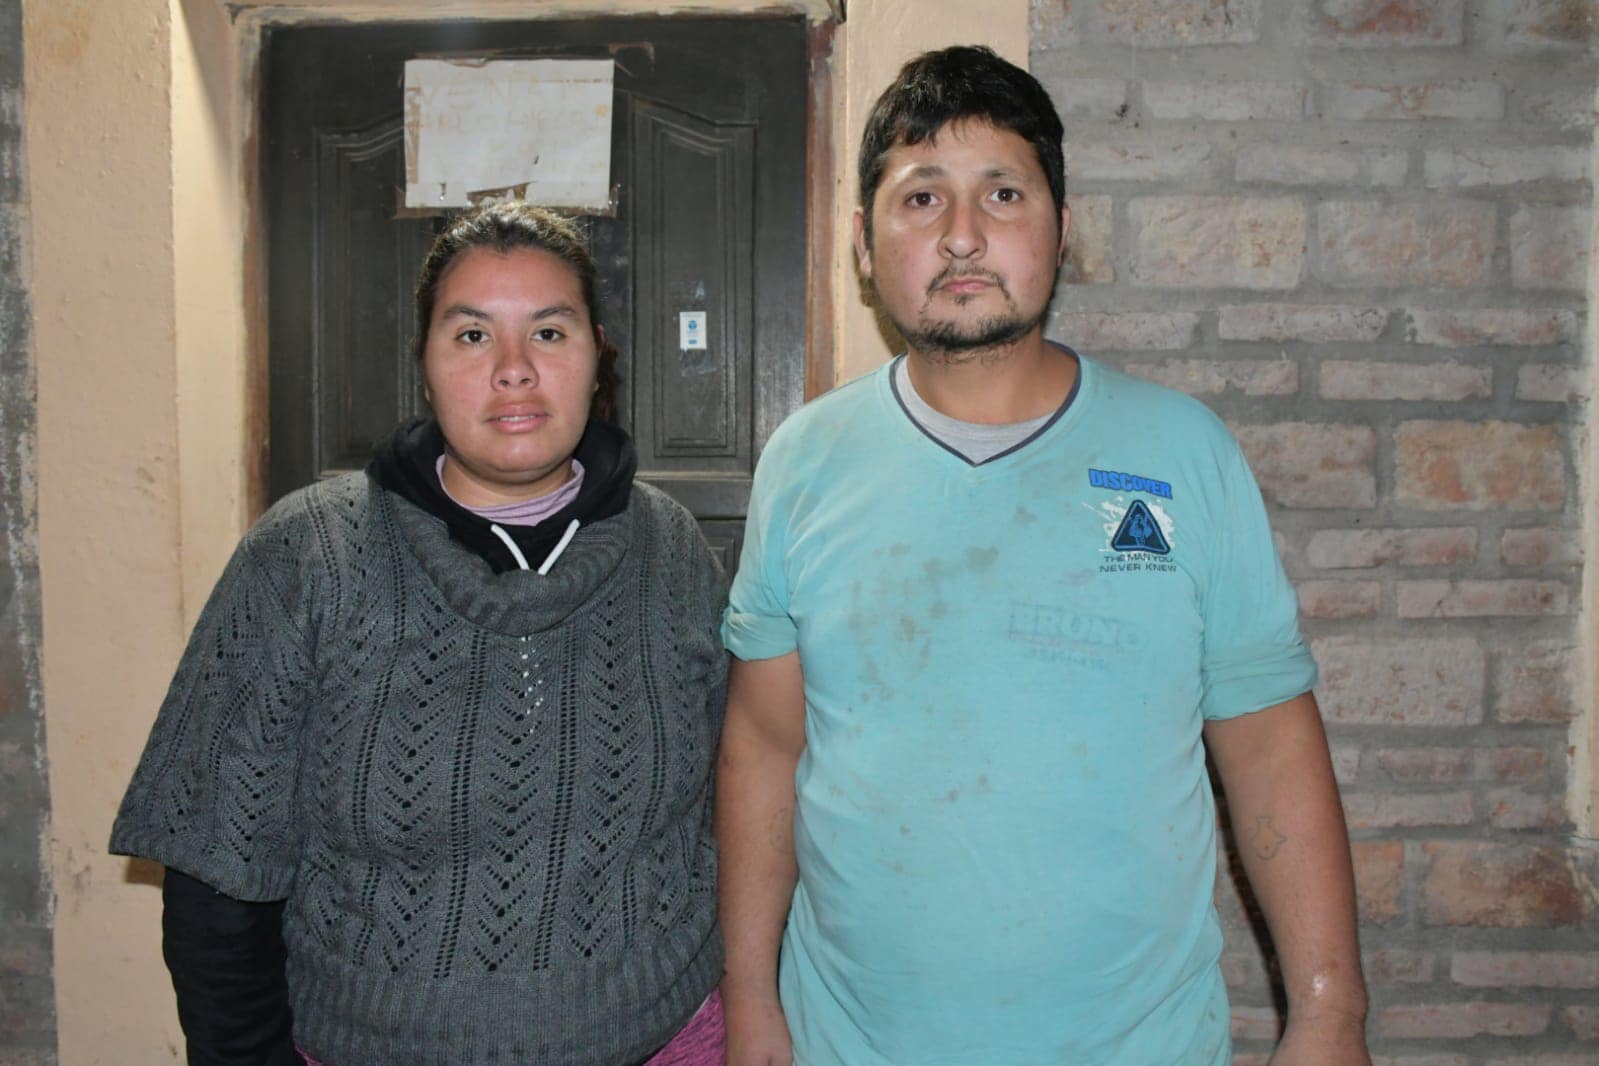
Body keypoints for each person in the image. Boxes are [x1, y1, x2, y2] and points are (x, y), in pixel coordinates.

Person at [716, 46, 1369, 1065]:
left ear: (1061, 230)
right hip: (850, 1042)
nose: (962, 235)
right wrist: (750, 995)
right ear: (863, 243)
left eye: (1003, 193)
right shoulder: (804, 461)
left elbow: (1270, 745)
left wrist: (1329, 1015)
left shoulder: (1184, 453)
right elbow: (765, 745)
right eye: (921, 197)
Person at [111, 202, 729, 1065]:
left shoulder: (672, 552)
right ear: (425, 367)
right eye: (472, 336)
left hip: (666, 1039)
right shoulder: (307, 554)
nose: (513, 370)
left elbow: (737, 807)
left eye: (549, 333)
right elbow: (217, 872)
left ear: (597, 357)